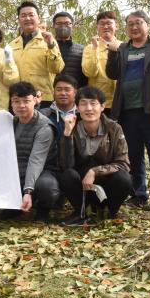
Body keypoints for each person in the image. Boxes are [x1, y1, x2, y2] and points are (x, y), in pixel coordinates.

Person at [106, 10, 150, 211]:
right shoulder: (123, 48)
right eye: (130, 24)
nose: (134, 27)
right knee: (133, 155)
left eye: (138, 23)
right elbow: (112, 73)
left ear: (147, 25)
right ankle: (138, 195)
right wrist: (113, 52)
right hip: (127, 110)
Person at [58, 86, 132, 226]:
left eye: (93, 103)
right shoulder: (72, 127)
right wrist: (67, 135)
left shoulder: (114, 128)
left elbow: (124, 163)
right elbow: (66, 165)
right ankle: (81, 212)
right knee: (67, 175)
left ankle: (109, 212)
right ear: (77, 107)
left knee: (124, 178)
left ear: (102, 107)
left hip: (107, 184)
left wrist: (95, 171)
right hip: (82, 187)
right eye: (83, 103)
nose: (89, 108)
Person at [9, 81, 64, 222]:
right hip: (18, 168)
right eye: (16, 101)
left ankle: (43, 209)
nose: (21, 106)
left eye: (26, 101)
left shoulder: (44, 127)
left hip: (44, 170)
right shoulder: (11, 122)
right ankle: (12, 207)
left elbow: (36, 161)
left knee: (46, 186)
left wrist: (28, 190)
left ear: (35, 100)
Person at [10, 2, 64, 109]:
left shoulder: (48, 41)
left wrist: (51, 46)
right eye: (23, 15)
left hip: (43, 99)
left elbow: (57, 68)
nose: (27, 18)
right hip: (19, 99)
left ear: (38, 19)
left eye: (31, 15)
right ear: (19, 20)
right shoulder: (12, 45)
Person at [82, 11, 119, 116]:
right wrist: (95, 49)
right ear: (97, 27)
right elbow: (89, 73)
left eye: (109, 23)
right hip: (97, 102)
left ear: (116, 26)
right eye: (102, 24)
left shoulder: (123, 47)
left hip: (120, 103)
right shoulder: (89, 48)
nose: (105, 26)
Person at [52, 11, 87, 87]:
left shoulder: (83, 50)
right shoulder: (47, 48)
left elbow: (85, 77)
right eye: (59, 24)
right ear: (53, 26)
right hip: (50, 95)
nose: (63, 26)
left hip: (75, 95)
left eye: (67, 23)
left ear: (72, 26)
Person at [40, 74, 79, 139]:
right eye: (59, 90)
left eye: (67, 90)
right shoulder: (44, 114)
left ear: (75, 92)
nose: (63, 93)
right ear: (53, 92)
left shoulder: (82, 114)